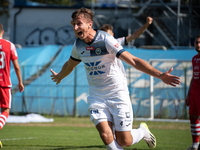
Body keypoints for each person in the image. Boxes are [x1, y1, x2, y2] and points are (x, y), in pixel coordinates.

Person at [50, 7, 181, 150]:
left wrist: (160, 75)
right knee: (106, 135)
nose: (75, 27)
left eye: (79, 23)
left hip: (117, 94)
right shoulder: (78, 45)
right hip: (97, 97)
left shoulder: (106, 40)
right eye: (73, 24)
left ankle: (142, 131)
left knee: (124, 141)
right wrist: (59, 76)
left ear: (90, 24)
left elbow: (134, 61)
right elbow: (70, 65)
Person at [0, 24, 24, 148]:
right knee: (5, 111)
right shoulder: (9, 45)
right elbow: (16, 66)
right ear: (2, 32)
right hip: (4, 84)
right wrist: (20, 82)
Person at [185, 35, 200, 150]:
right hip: (194, 92)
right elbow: (193, 78)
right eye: (196, 42)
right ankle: (195, 145)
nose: (198, 45)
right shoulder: (194, 58)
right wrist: (188, 94)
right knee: (193, 116)